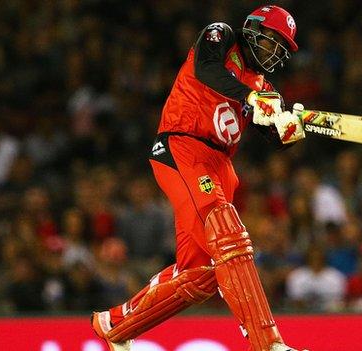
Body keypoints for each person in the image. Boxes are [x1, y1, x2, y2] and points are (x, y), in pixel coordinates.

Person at [91, 5, 305, 351]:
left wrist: (286, 127)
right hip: (184, 146)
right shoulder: (220, 36)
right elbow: (207, 70)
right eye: (271, 41)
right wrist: (253, 97)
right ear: (252, 29)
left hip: (220, 166)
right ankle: (269, 343)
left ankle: (114, 326)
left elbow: (271, 137)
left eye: (281, 49)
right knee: (229, 235)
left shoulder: (263, 85)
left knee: (201, 274)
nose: (274, 53)